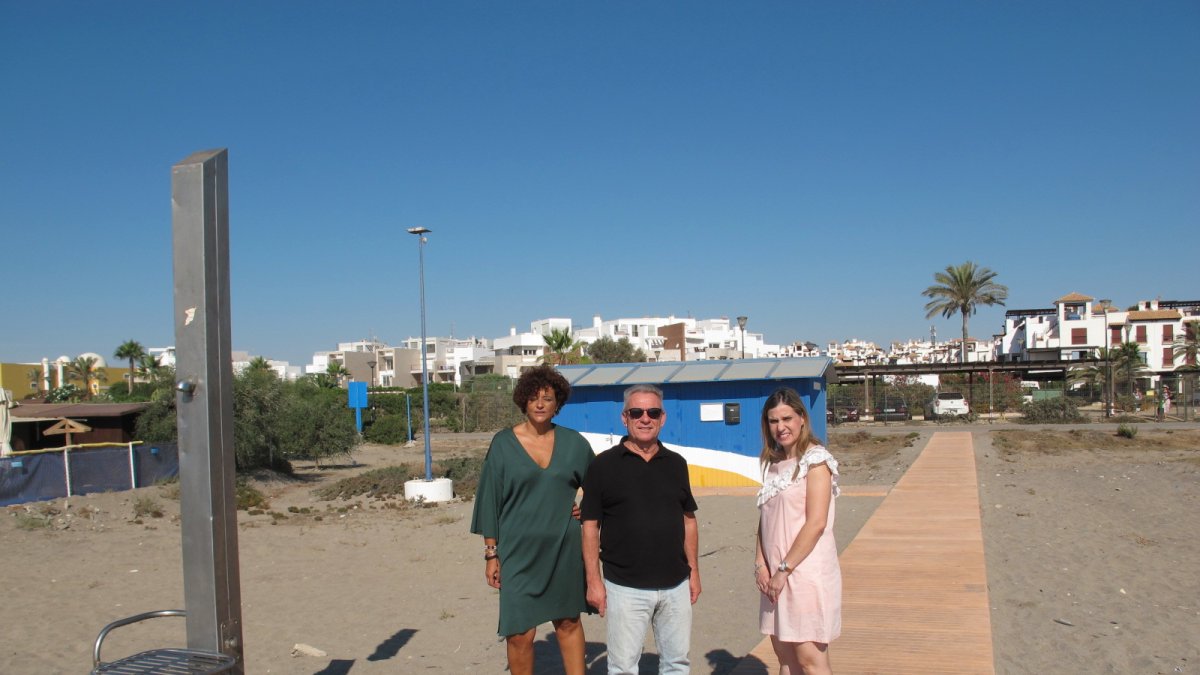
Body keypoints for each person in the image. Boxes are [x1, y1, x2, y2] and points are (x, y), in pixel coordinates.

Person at [470, 365, 594, 675]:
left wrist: (584, 506)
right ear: (523, 401)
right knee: (520, 632)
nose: (540, 404)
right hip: (517, 552)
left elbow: (601, 488)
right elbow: (489, 501)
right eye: (534, 398)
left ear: (558, 404)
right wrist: (491, 553)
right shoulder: (502, 444)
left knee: (568, 620)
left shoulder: (574, 443)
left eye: (548, 398)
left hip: (563, 548)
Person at [582, 383, 701, 674]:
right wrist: (593, 581)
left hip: (675, 585)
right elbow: (589, 526)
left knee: (677, 664)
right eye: (636, 412)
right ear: (625, 418)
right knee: (623, 667)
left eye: (652, 412)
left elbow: (689, 519)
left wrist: (694, 572)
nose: (644, 418)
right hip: (624, 587)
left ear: (663, 418)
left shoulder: (676, 464)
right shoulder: (603, 465)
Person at [754, 387, 841, 675]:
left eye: (787, 418)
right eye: (773, 421)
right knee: (785, 659)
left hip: (802, 573)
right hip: (775, 577)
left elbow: (816, 524)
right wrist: (761, 564)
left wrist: (783, 570)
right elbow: (765, 519)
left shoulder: (816, 460)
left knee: (810, 660)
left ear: (802, 418)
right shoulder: (775, 465)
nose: (781, 427)